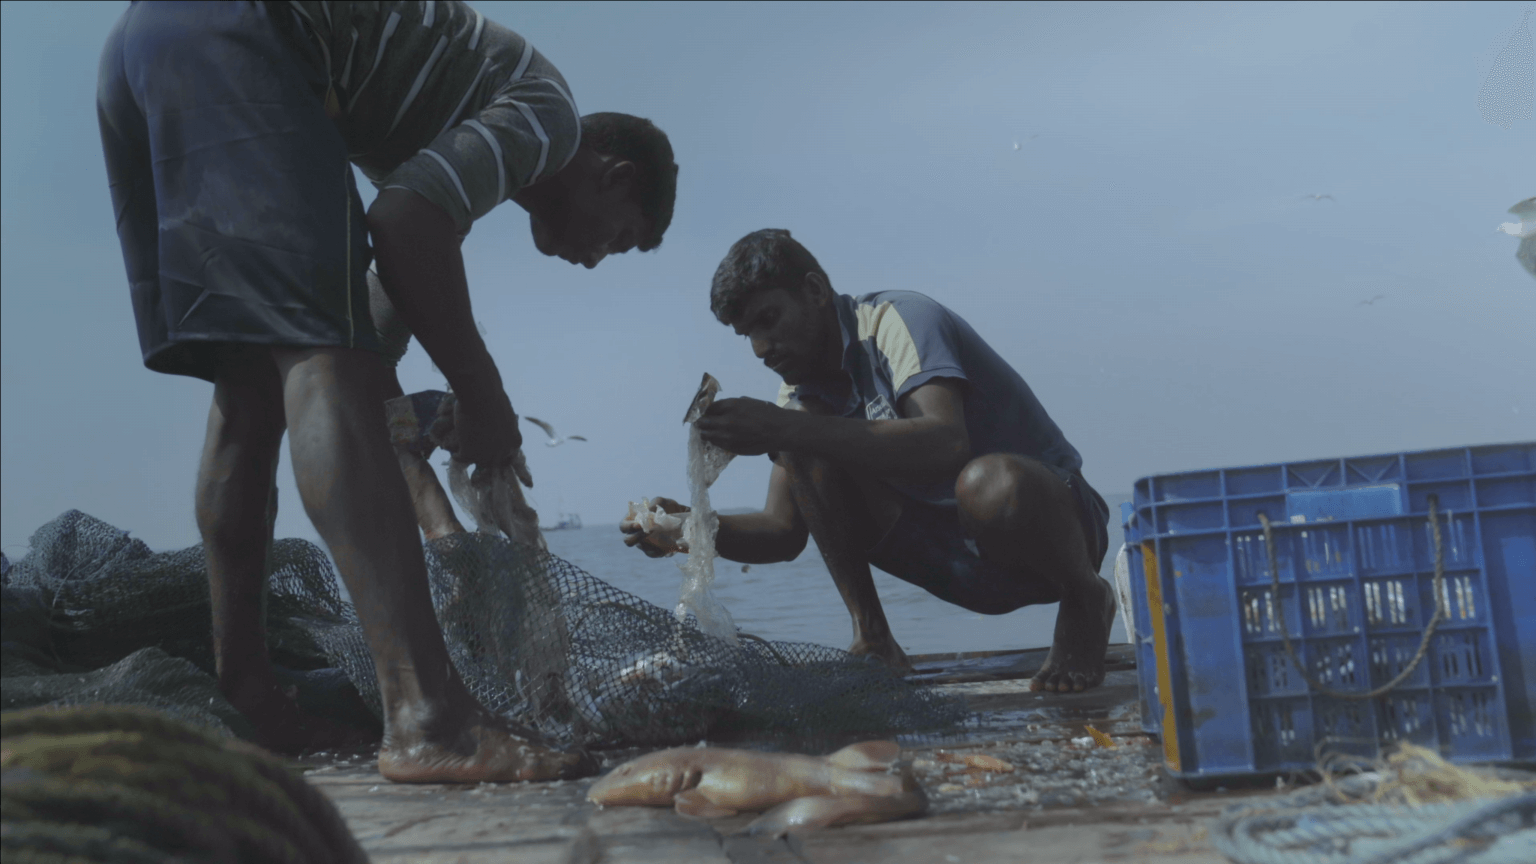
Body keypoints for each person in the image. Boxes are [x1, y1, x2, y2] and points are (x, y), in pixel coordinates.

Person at [97, 0, 678, 781]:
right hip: (247, 33)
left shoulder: (466, 127)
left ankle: (248, 696)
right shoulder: (550, 119)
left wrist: (417, 414)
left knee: (251, 391)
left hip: (143, 46)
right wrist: (483, 395)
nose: (598, 258)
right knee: (318, 363)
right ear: (617, 176)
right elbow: (403, 226)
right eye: (620, 236)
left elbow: (369, 310)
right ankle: (426, 717)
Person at [621, 230, 1113, 692]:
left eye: (768, 321)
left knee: (988, 483)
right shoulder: (800, 393)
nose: (760, 349)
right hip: (961, 563)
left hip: (1057, 535)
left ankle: (1085, 600)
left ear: (814, 290)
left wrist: (778, 425)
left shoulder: (898, 321)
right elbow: (782, 531)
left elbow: (945, 442)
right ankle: (874, 636)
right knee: (804, 440)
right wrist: (687, 528)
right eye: (746, 334)